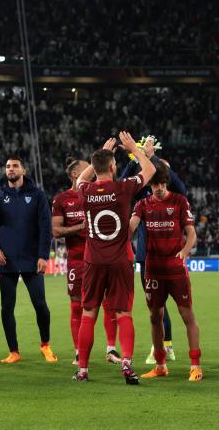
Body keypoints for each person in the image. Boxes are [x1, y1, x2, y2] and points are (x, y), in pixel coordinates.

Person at [74, 132, 156, 384]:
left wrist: (99, 152)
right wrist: (134, 148)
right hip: (120, 260)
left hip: (93, 260)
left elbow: (79, 179)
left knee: (89, 313)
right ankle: (127, 364)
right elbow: (150, 169)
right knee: (123, 313)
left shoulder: (85, 190)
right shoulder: (123, 188)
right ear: (113, 166)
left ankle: (83, 370)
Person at [129, 162, 202, 382]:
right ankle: (160, 364)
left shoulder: (179, 202)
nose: (159, 187)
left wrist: (185, 251)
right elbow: (130, 227)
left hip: (175, 269)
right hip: (153, 269)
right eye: (154, 184)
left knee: (187, 314)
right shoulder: (142, 204)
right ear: (149, 184)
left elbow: (191, 233)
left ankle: (195, 366)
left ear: (166, 183)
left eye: (162, 183)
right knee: (154, 316)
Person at [119, 137, 187, 365]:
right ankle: (163, 347)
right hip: (147, 258)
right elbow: (121, 186)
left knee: (181, 308)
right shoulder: (144, 198)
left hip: (171, 258)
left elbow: (180, 186)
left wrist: (151, 157)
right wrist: (133, 158)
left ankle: (167, 348)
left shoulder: (174, 195)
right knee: (155, 307)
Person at [52, 157, 121, 366]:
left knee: (109, 303)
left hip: (101, 257)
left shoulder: (96, 194)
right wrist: (79, 227)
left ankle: (111, 349)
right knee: (77, 307)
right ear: (75, 174)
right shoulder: (62, 199)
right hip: (77, 261)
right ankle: (78, 353)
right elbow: (56, 231)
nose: (92, 171)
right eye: (87, 168)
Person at [0, 155, 56, 363]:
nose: (10, 169)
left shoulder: (37, 195)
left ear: (24, 171)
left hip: (31, 259)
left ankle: (45, 345)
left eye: (15, 166)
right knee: (7, 307)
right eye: (8, 166)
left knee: (40, 304)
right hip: (5, 259)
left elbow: (45, 227)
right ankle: (14, 352)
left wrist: (43, 256)